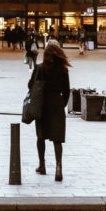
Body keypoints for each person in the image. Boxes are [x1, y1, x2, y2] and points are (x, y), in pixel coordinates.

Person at [30, 39, 72, 181]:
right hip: (57, 104)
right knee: (57, 139)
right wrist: (62, 104)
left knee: (40, 136)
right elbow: (67, 91)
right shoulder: (63, 70)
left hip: (42, 104)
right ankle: (58, 168)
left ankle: (42, 165)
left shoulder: (40, 68)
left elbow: (31, 86)